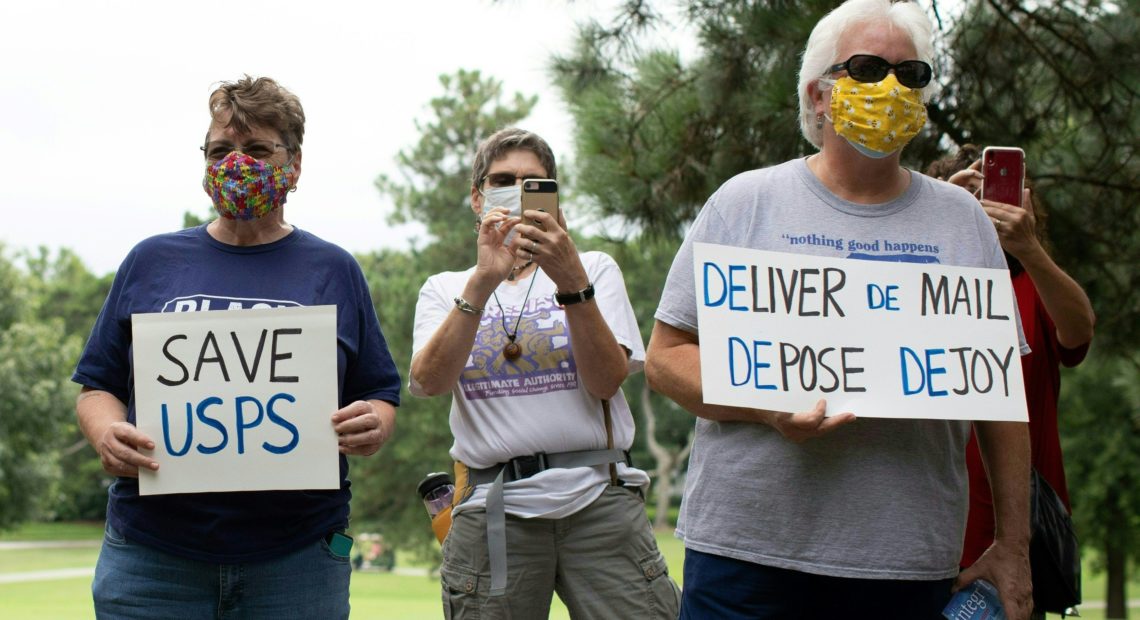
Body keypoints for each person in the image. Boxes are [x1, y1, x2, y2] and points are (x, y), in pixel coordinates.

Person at [645, 1, 1035, 618]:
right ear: (817, 95)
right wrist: (768, 404)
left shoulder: (964, 222)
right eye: (867, 67)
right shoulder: (744, 202)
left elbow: (1002, 396)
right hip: (745, 560)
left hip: (905, 565)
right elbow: (665, 360)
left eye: (910, 75)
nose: (891, 87)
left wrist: (1015, 548)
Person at [71, 76, 400, 619]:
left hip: (298, 559)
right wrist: (105, 431)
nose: (236, 163)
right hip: (154, 558)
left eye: (257, 149)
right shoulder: (151, 261)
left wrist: (375, 423)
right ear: (203, 166)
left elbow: (380, 391)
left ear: (293, 165)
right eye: (220, 150)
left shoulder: (334, 269)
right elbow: (97, 385)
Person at [409, 127, 680, 619]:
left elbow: (605, 381)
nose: (516, 190)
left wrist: (571, 280)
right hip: (493, 506)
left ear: (553, 198)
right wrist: (484, 280)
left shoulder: (594, 268)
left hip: (598, 496)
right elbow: (429, 383)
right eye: (502, 180)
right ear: (477, 196)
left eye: (533, 182)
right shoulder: (444, 287)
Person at [928, 146, 1095, 617]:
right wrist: (931, 218)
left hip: (1013, 541)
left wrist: (1029, 248)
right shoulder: (920, 284)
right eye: (971, 195)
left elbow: (1079, 331)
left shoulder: (1030, 283)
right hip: (926, 530)